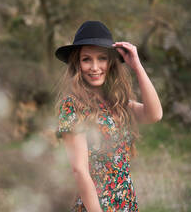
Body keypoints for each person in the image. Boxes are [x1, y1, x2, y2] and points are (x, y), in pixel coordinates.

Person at [54, 21, 162, 212]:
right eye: (86, 59)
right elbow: (79, 170)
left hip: (125, 203)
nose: (95, 67)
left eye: (102, 58)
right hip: (95, 206)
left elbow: (154, 114)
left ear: (111, 62)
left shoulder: (116, 102)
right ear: (77, 63)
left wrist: (137, 66)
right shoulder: (72, 106)